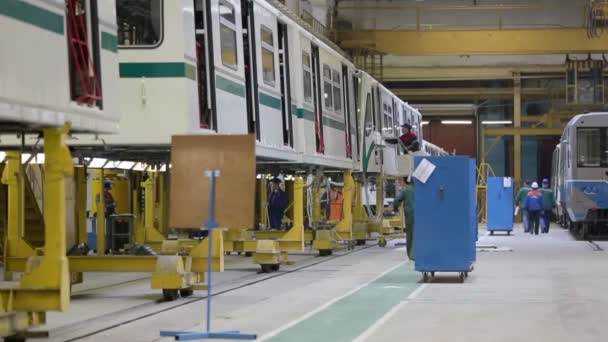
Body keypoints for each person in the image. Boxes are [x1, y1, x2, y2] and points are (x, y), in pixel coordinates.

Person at [392, 177, 415, 260]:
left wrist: (395, 209)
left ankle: (411, 255)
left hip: (410, 217)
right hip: (421, 216)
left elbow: (396, 200)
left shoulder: (405, 190)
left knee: (410, 235)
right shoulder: (422, 190)